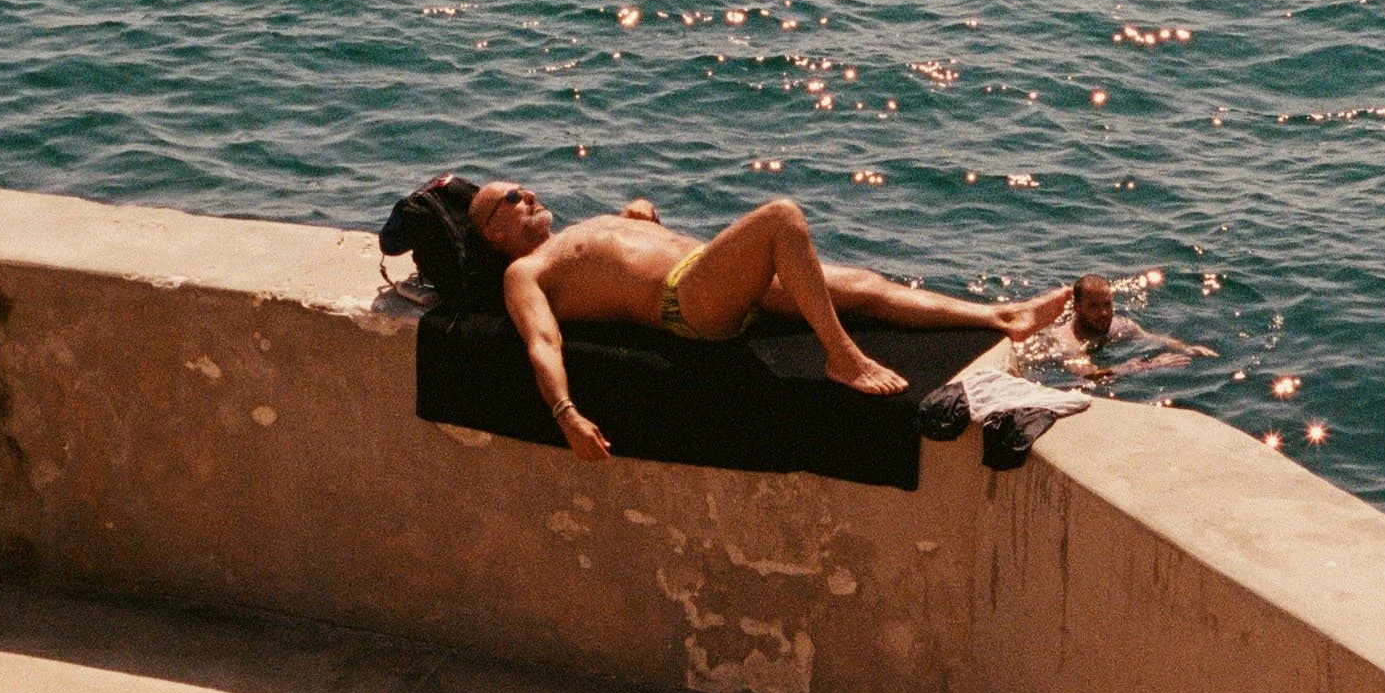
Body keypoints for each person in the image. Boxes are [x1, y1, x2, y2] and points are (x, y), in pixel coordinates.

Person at [456, 179, 1075, 462]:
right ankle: (843, 357)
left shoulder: (572, 238)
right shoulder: (525, 274)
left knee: (861, 285)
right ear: (494, 233)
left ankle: (1001, 314)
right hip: (687, 302)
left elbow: (619, 262)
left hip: (704, 272)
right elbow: (543, 341)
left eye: (524, 189)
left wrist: (632, 221)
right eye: (510, 200)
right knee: (782, 218)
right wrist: (567, 415)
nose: (527, 196)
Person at [1043, 273, 1217, 382]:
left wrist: (1188, 349)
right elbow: (1089, 375)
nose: (1104, 313)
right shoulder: (1065, 340)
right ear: (1077, 307)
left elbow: (1153, 339)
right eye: (1094, 306)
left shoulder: (1119, 325)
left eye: (1107, 304)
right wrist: (1147, 365)